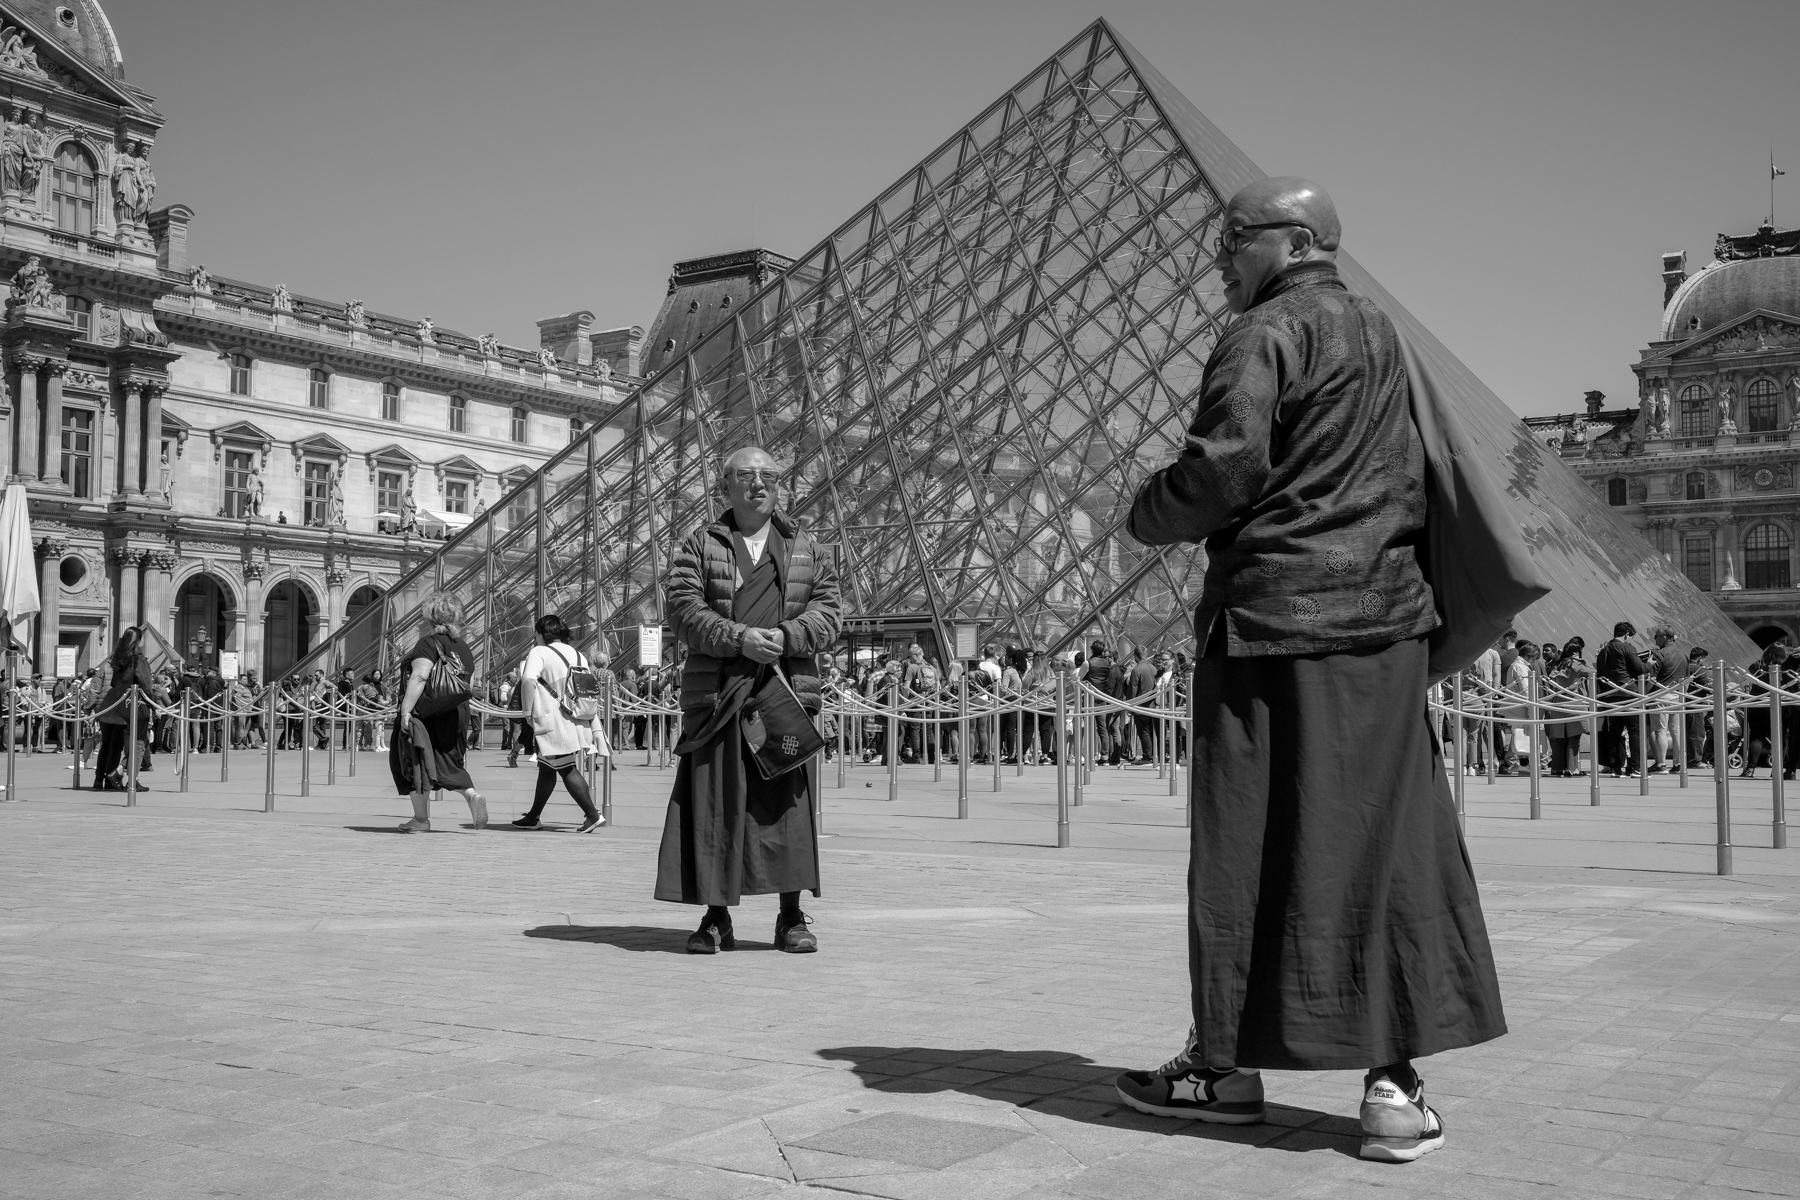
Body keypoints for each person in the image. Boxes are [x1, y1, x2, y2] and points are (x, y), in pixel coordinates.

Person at [1118, 177, 1504, 1162]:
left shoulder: (1260, 334)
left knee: (1244, 852)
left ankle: (1222, 1065)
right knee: (1388, 853)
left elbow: (1224, 472)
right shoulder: (1385, 334)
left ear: (1291, 243)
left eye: (1231, 239)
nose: (1216, 257)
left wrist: (1147, 506)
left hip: (1271, 626)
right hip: (1384, 630)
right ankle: (1392, 1088)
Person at [654, 445, 842, 955]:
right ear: (725, 486)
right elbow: (683, 609)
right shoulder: (700, 545)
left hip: (782, 692)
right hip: (719, 696)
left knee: (787, 810)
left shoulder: (806, 548)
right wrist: (736, 636)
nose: (759, 484)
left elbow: (829, 612)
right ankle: (717, 918)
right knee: (716, 805)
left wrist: (786, 635)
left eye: (770, 477)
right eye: (746, 475)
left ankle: (790, 916)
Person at [388, 595, 488, 832]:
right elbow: (468, 682)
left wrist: (405, 711)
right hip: (456, 711)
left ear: (429, 617)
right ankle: (472, 795)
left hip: (427, 711)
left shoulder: (428, 643)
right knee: (449, 760)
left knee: (415, 760)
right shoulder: (463, 646)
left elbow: (420, 676)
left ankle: (421, 820)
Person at [510, 614, 608, 831]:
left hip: (553, 719)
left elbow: (528, 679)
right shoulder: (578, 655)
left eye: (536, 633)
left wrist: (527, 711)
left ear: (542, 633)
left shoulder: (540, 652)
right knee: (547, 768)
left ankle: (592, 815)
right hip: (577, 717)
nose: (535, 637)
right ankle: (533, 817)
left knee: (566, 768)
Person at [93, 628, 161, 790]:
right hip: (139, 705)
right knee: (138, 743)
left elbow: (115, 684)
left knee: (126, 743)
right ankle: (127, 777)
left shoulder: (119, 659)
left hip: (123, 706)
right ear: (137, 641)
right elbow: (146, 685)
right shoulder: (138, 660)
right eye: (142, 639)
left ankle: (120, 772)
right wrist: (154, 705)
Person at [1595, 622, 1650, 777]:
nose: (1630, 640)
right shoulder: (1628, 648)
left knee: (1614, 732)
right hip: (1629, 694)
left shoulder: (1603, 651)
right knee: (1635, 732)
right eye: (1630, 637)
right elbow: (1640, 668)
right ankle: (1636, 768)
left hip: (1609, 695)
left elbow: (1599, 673)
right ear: (1626, 634)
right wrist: (1649, 664)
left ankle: (1615, 768)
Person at [1544, 638, 1589, 776]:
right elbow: (1593, 672)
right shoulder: (1577, 665)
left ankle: (1557, 768)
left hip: (1558, 704)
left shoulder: (1557, 665)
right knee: (1574, 738)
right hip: (1574, 704)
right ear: (1576, 653)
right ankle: (1572, 768)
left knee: (1559, 738)